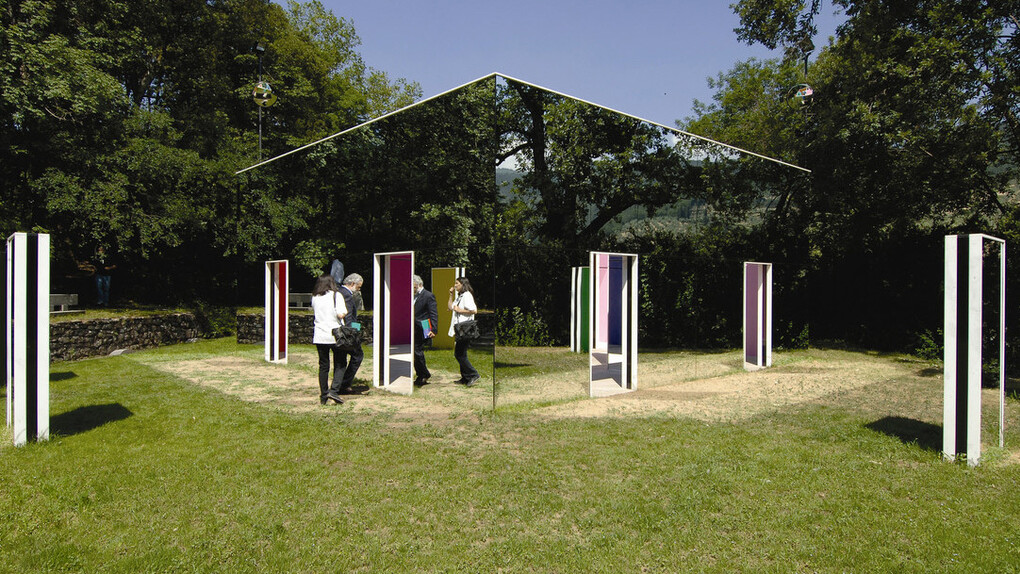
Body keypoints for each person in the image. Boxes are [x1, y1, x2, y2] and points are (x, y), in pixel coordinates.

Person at [311, 275, 347, 405]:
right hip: (335, 335)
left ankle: (323, 394)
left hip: (320, 335)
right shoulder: (336, 295)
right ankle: (334, 389)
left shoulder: (315, 297)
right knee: (341, 363)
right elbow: (341, 313)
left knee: (323, 366)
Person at [335, 273, 365, 393]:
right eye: (358, 287)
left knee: (340, 360)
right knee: (358, 355)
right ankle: (345, 383)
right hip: (347, 333)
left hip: (340, 332)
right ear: (352, 284)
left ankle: (339, 384)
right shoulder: (347, 295)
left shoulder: (339, 292)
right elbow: (348, 317)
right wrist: (352, 333)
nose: (359, 290)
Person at [448, 276, 480, 386]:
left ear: (463, 284)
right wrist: (451, 295)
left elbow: (474, 310)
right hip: (460, 329)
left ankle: (473, 374)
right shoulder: (460, 296)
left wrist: (460, 310)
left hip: (465, 328)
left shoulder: (467, 295)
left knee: (459, 354)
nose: (455, 285)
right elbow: (450, 307)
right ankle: (465, 377)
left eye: (457, 283)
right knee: (461, 353)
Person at [412, 274, 438, 386]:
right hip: (413, 327)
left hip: (424, 326)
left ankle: (423, 374)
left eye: (413, 287)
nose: (411, 289)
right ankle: (422, 374)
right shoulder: (412, 295)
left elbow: (433, 313)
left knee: (417, 350)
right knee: (415, 351)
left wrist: (434, 329)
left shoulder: (428, 295)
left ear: (419, 285)